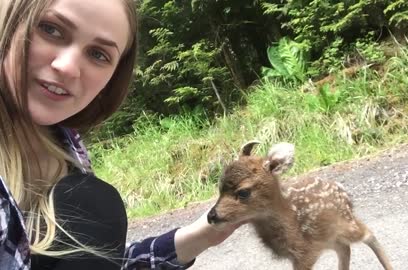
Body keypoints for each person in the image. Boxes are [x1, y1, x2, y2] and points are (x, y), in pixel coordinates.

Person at [0, 0, 244, 269]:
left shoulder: (65, 146)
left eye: (98, 54)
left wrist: (203, 234)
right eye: (50, 29)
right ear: (10, 20)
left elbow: (100, 262)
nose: (68, 67)